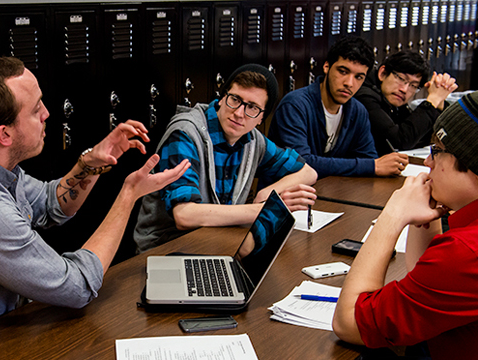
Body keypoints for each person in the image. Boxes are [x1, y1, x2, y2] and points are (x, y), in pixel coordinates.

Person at [0, 57, 190, 360]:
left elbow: (48, 205)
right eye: (36, 108)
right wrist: (128, 195)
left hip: (1, 345)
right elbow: (79, 286)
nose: (48, 114)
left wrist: (92, 162)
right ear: (5, 134)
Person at [332, 91, 478, 360]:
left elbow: (347, 322)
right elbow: (425, 284)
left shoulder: (466, 252)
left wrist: (394, 215)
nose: (428, 163)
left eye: (437, 150)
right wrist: (425, 212)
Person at [134, 64, 318, 253]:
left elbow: (307, 172)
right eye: (235, 99)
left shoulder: (254, 140)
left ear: (261, 118)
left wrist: (267, 195)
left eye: (252, 108)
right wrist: (261, 210)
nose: (239, 113)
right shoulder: (185, 134)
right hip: (165, 248)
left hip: (214, 240)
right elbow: (185, 215)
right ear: (222, 98)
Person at [268, 36, 409, 178]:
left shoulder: (357, 111)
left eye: (359, 77)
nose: (349, 83)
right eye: (343, 71)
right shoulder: (295, 105)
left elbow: (368, 158)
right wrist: (372, 166)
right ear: (326, 67)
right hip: (286, 195)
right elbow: (302, 165)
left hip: (332, 193)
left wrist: (374, 165)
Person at [354, 50, 458, 155]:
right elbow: (399, 141)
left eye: (413, 85)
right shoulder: (364, 97)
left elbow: (420, 137)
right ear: (383, 73)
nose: (404, 89)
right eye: (401, 79)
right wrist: (432, 102)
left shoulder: (393, 99)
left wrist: (439, 105)